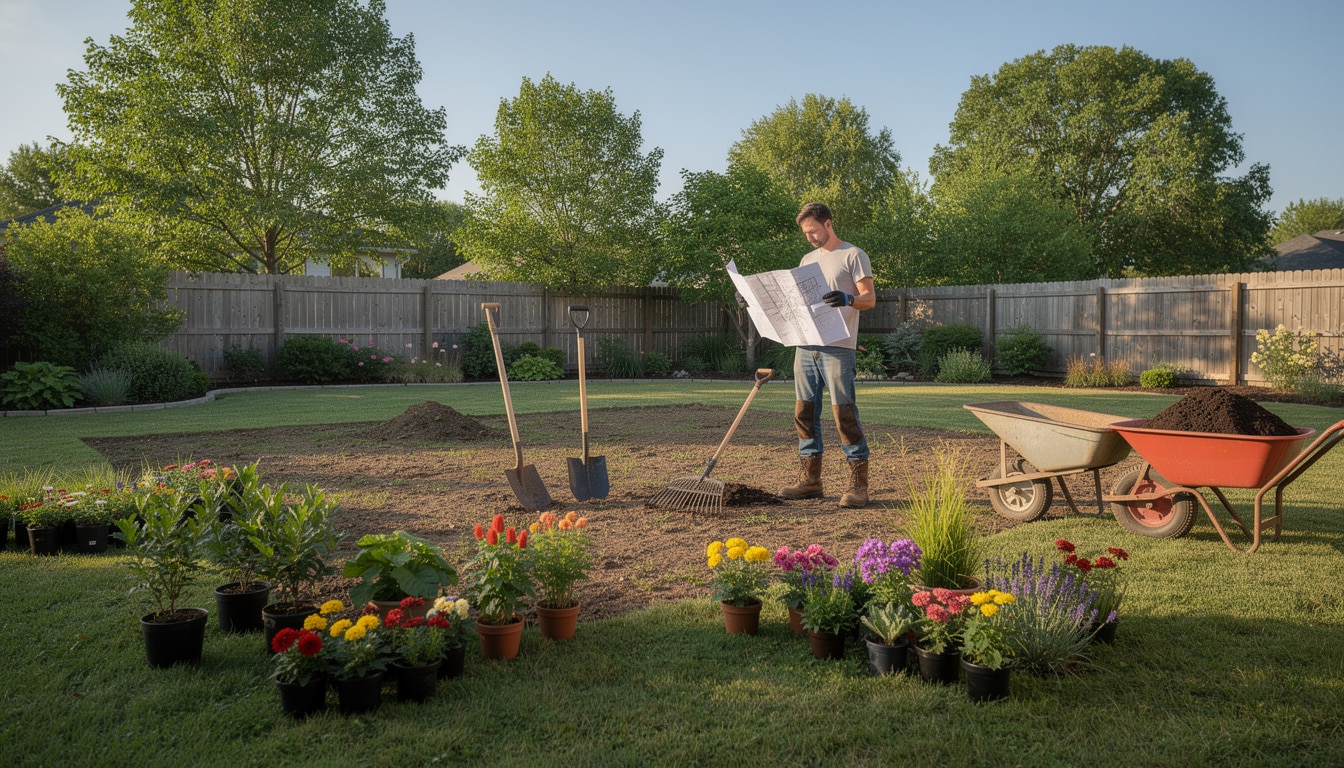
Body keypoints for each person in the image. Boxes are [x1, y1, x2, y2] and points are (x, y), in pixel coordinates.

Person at [779, 201, 876, 508]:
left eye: (813, 231)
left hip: (838, 347)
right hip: (806, 346)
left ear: (828, 224)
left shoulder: (853, 255)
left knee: (843, 414)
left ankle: (859, 485)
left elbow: (870, 299)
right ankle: (810, 481)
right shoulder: (807, 259)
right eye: (805, 233)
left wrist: (849, 298)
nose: (809, 237)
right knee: (804, 412)